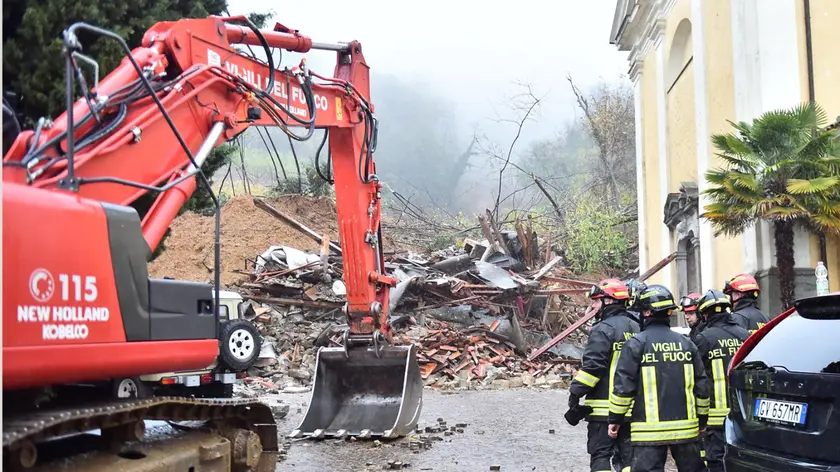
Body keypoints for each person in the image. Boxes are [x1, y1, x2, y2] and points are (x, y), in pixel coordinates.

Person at [607, 284, 709, 472]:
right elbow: (702, 387)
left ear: (647, 312)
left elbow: (623, 388)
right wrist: (702, 420)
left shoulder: (636, 344)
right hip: (686, 431)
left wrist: (615, 419)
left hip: (649, 433)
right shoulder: (687, 344)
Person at [567, 278, 640, 472]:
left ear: (608, 301)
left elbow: (593, 367)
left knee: (601, 456)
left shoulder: (603, 329)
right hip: (633, 410)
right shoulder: (637, 328)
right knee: (630, 461)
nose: (593, 306)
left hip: (603, 411)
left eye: (596, 301)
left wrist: (575, 393)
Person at [693, 290, 750, 472]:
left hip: (715, 417)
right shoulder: (745, 335)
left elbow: (696, 377)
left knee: (716, 460)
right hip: (743, 412)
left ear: (705, 314)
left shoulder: (704, 339)